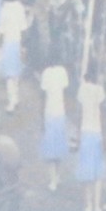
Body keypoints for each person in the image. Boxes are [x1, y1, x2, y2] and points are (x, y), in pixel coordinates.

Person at [76, 76, 106, 211]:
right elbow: (103, 111)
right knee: (97, 172)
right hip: (95, 131)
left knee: (88, 170)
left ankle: (89, 205)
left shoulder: (83, 88)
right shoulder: (100, 89)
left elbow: (79, 111)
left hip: (87, 131)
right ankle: (96, 206)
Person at [37, 61, 70, 191]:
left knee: (51, 147)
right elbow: (65, 92)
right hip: (60, 112)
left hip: (49, 112)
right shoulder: (62, 72)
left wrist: (41, 114)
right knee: (59, 145)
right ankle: (57, 175)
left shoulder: (46, 73)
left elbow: (43, 95)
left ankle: (53, 180)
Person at [0, 0, 28, 112]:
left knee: (9, 74)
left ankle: (11, 102)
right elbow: (24, 29)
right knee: (16, 72)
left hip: (8, 43)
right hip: (18, 42)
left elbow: (1, 30)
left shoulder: (4, 9)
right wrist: (23, 45)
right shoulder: (20, 7)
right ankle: (16, 98)